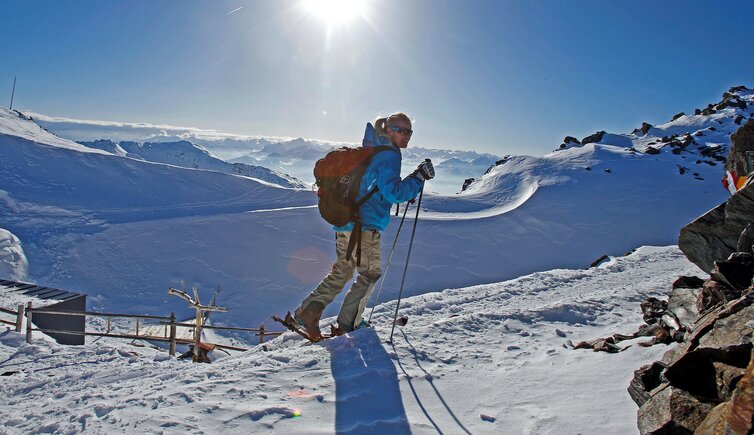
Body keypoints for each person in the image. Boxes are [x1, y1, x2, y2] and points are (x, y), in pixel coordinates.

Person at [294, 112, 435, 339]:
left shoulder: (371, 150)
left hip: (346, 222)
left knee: (343, 270)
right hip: (365, 226)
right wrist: (418, 178)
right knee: (370, 273)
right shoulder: (390, 155)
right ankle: (349, 322)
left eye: (410, 132)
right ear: (389, 130)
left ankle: (308, 312)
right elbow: (394, 192)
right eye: (402, 130)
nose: (407, 136)